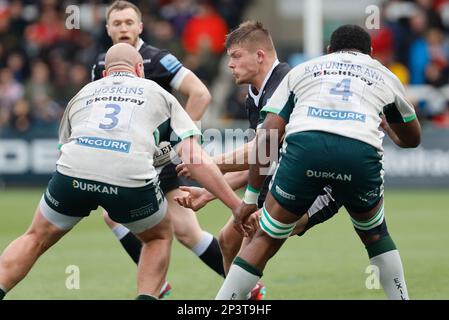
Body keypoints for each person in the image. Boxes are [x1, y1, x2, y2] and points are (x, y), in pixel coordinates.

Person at [0, 43, 241, 300]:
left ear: (105, 73)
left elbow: (64, 150)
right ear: (140, 70)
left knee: (35, 236)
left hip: (74, 173)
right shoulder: (157, 93)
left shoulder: (83, 93)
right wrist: (235, 206)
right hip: (129, 178)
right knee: (157, 237)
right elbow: (194, 157)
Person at [215, 24, 421, 300]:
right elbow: (413, 139)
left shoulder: (303, 69)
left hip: (305, 149)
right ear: (370, 53)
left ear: (328, 51)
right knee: (375, 235)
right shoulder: (384, 74)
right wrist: (391, 130)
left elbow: (268, 138)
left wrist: (250, 199)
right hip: (359, 152)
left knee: (264, 236)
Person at [174, 21, 340, 298]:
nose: (230, 64)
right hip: (284, 176)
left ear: (259, 56)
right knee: (228, 239)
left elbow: (260, 152)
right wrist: (208, 190)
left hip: (318, 182)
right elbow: (263, 160)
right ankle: (249, 296)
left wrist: (207, 165)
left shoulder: (284, 86)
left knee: (250, 246)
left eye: (236, 56)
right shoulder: (255, 95)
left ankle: (238, 297)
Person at [91, 1, 225, 297]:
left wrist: (176, 143)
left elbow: (201, 94)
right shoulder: (102, 65)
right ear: (108, 29)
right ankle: (159, 282)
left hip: (158, 162)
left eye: (129, 22)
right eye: (117, 23)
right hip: (129, 162)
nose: (123, 28)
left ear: (140, 26)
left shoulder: (158, 59)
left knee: (187, 233)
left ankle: (245, 284)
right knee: (115, 216)